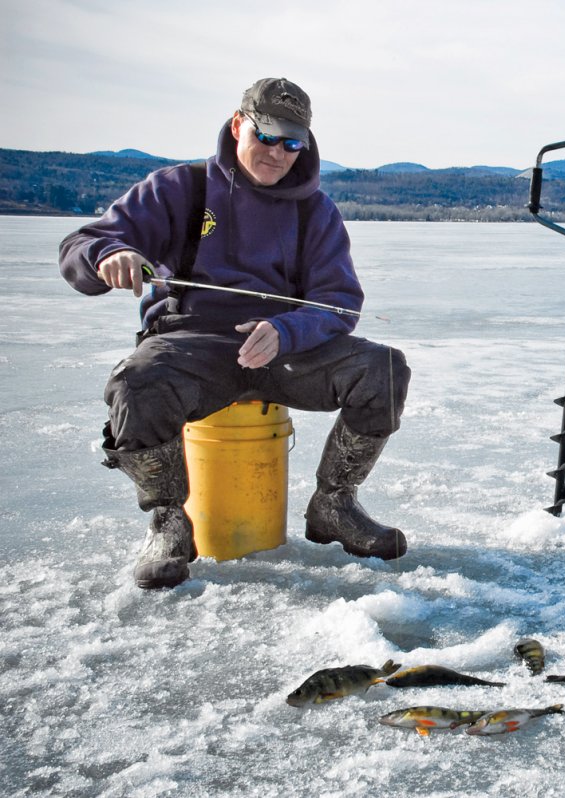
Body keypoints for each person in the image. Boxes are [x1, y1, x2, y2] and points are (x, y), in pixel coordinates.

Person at [59, 77, 411, 590]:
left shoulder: (316, 210)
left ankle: (334, 504)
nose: (278, 152)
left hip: (285, 349)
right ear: (237, 125)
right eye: (266, 136)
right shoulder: (181, 188)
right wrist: (107, 255)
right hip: (192, 343)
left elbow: (338, 302)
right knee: (136, 383)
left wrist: (287, 330)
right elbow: (83, 242)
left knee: (381, 368)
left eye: (293, 143)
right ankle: (168, 522)